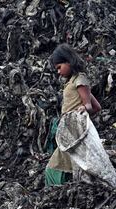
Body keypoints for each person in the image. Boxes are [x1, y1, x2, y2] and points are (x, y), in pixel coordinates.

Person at [45, 43, 102, 186]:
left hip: (74, 132)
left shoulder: (80, 79)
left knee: (53, 168)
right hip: (70, 130)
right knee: (70, 166)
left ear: (68, 61)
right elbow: (97, 107)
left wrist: (81, 111)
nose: (58, 72)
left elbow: (89, 106)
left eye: (59, 67)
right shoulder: (74, 81)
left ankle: (57, 190)